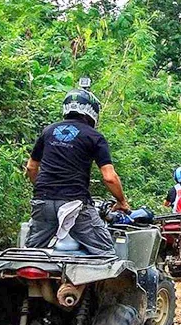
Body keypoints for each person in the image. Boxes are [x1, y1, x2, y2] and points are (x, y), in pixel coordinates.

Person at [25, 87, 128, 255]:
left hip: (43, 201)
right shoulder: (94, 136)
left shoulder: (48, 131)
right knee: (106, 255)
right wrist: (122, 201)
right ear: (92, 111)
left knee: (32, 254)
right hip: (74, 203)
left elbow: (31, 167)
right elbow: (109, 178)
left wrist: (44, 190)